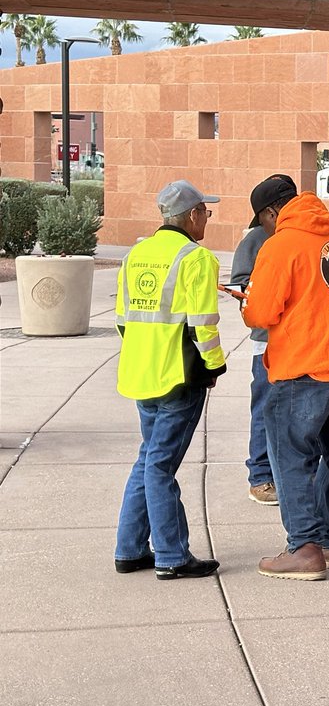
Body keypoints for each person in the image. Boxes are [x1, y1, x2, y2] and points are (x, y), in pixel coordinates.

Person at [243, 181, 329, 581]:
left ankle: (304, 547)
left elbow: (261, 314)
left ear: (270, 213)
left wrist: (248, 300)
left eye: (263, 222)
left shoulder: (280, 246)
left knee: (291, 457)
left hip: (302, 367)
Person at [114, 180, 226, 580]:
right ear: (193, 215)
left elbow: (123, 322)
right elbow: (203, 327)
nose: (206, 221)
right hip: (179, 378)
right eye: (205, 214)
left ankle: (129, 550)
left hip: (141, 375)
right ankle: (172, 556)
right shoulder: (197, 259)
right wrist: (214, 366)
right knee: (160, 466)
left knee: (148, 459)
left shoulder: (135, 254)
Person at [229, 174, 298, 507]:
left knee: (299, 413)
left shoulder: (304, 236)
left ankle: (296, 473)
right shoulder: (256, 238)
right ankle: (260, 476)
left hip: (302, 342)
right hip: (267, 341)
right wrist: (262, 299)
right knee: (266, 408)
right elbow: (241, 284)